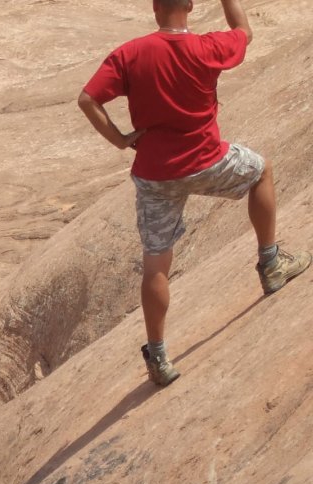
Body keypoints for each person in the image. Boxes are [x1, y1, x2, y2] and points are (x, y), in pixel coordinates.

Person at [79, 0, 310, 387]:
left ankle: (159, 356)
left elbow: (88, 99)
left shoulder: (131, 53)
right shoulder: (207, 47)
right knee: (261, 171)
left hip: (155, 176)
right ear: (189, 5)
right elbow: (245, 32)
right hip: (208, 163)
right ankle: (271, 265)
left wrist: (121, 140)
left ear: (155, 8)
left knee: (156, 265)